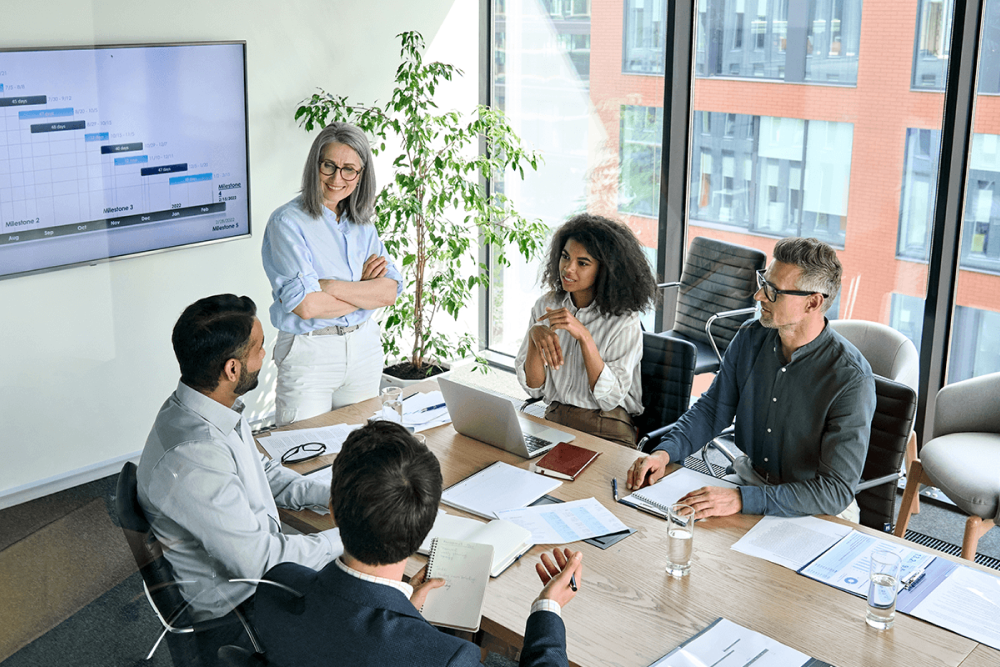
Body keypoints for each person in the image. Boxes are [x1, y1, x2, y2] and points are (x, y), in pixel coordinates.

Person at [255, 420, 582, 667]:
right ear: (426, 527)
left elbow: (346, 641)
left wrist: (404, 611)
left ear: (333, 511)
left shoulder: (276, 587)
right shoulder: (445, 658)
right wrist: (548, 608)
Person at [136, 294, 342, 662]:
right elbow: (261, 563)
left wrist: (335, 496)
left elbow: (262, 472)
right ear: (232, 369)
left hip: (251, 574)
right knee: (371, 609)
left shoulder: (208, 408)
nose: (266, 355)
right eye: (259, 348)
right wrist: (352, 536)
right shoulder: (193, 455)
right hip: (238, 614)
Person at [626, 237, 876, 521]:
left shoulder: (851, 378)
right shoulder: (749, 336)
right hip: (749, 481)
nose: (758, 296)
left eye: (773, 291)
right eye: (763, 282)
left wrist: (741, 499)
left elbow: (834, 491)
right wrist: (665, 454)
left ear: (813, 303)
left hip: (815, 507)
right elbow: (711, 411)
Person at [262, 122, 403, 426]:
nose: (337, 178)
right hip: (310, 351)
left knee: (363, 455)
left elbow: (389, 291)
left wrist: (329, 286)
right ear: (315, 165)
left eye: (349, 169)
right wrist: (364, 292)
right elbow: (307, 306)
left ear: (361, 175)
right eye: (329, 166)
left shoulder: (363, 223)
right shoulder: (287, 223)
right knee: (304, 455)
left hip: (363, 348)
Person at [514, 213, 657, 447]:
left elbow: (610, 399)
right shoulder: (545, 305)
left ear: (605, 269)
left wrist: (585, 337)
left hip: (607, 427)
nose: (568, 269)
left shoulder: (624, 321)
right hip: (555, 418)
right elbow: (534, 388)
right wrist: (534, 338)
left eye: (582, 263)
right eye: (565, 257)